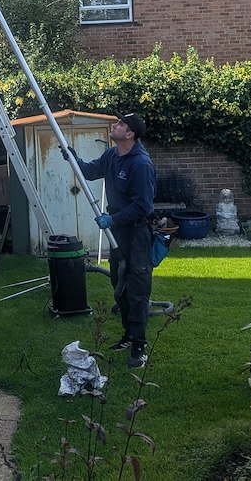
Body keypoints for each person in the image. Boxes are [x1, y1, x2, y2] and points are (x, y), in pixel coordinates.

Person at [63, 112, 156, 368]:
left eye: (120, 124)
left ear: (130, 134)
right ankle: (128, 335)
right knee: (119, 283)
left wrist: (112, 220)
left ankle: (139, 347)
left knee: (137, 289)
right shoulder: (113, 156)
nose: (114, 126)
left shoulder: (141, 165)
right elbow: (91, 171)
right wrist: (74, 159)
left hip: (136, 232)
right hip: (118, 231)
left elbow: (142, 206)